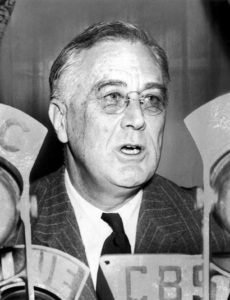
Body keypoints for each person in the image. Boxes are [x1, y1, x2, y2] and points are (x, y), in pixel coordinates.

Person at [26, 21, 230, 300]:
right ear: (62, 121)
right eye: (112, 97)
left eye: (151, 99)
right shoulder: (14, 233)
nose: (137, 119)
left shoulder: (215, 234)